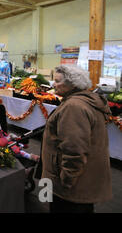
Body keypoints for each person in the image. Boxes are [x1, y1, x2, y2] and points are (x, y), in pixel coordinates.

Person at [41, 65, 112, 213]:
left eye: (57, 81)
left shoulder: (74, 107)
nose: (53, 84)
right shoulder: (83, 101)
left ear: (72, 84)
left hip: (69, 187)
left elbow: (74, 150)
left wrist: (66, 180)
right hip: (82, 182)